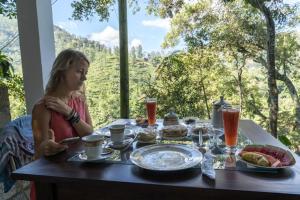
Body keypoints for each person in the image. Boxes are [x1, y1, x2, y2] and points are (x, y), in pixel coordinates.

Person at [30, 49, 93, 199]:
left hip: (78, 175)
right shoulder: (43, 107)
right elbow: (39, 156)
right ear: (62, 71)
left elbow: (90, 133)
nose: (84, 77)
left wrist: (69, 112)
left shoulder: (79, 100)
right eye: (79, 71)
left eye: (85, 72)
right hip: (53, 182)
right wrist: (46, 147)